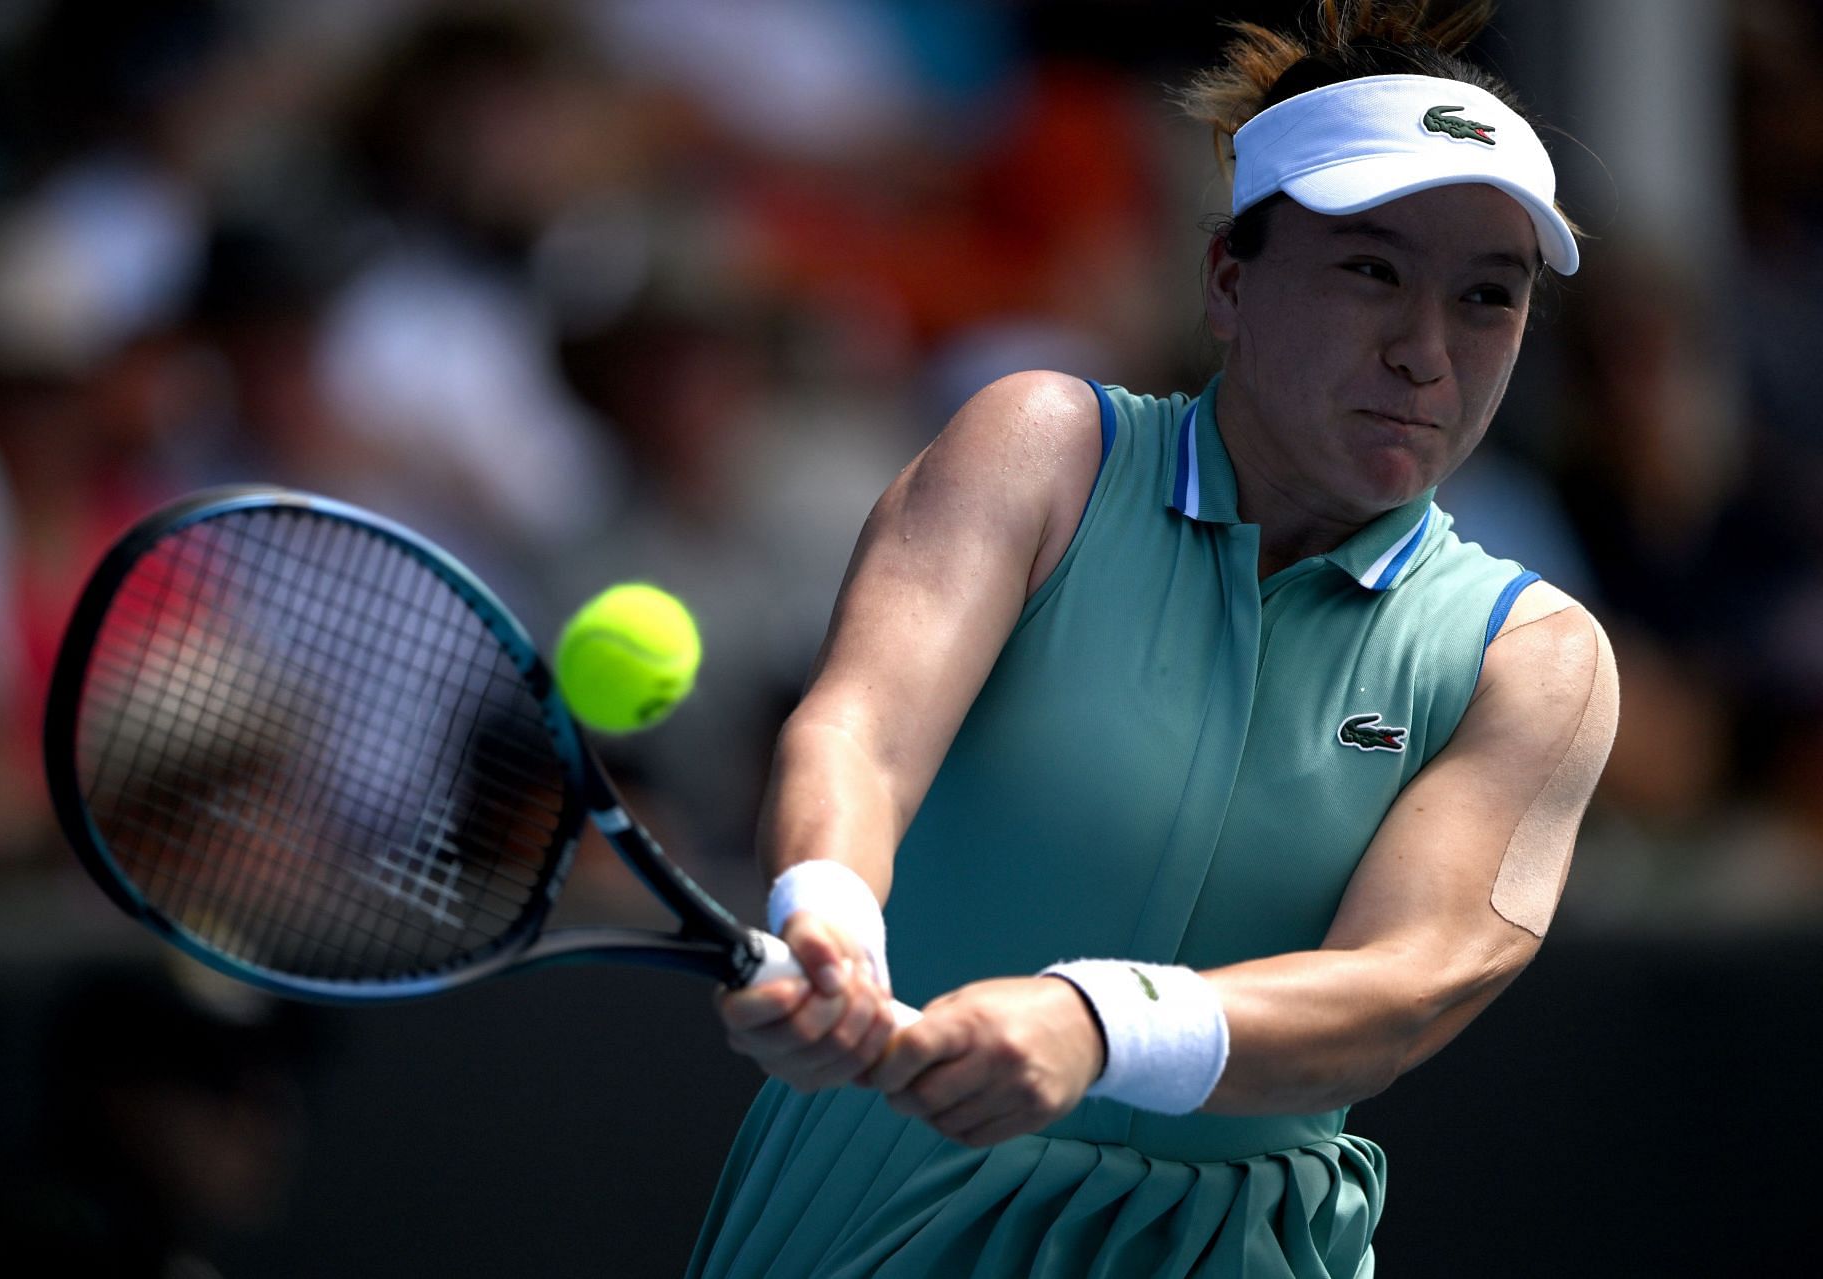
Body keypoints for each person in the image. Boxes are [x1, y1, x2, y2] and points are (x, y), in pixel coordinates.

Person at [694, 2, 1620, 1275]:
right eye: (1371, 270)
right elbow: (862, 729)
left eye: (1487, 299)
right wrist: (828, 911)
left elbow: (1407, 982)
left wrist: (1101, 1022)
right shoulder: (1041, 450)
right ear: (1229, 280)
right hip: (872, 1207)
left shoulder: (1536, 658)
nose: (1425, 352)